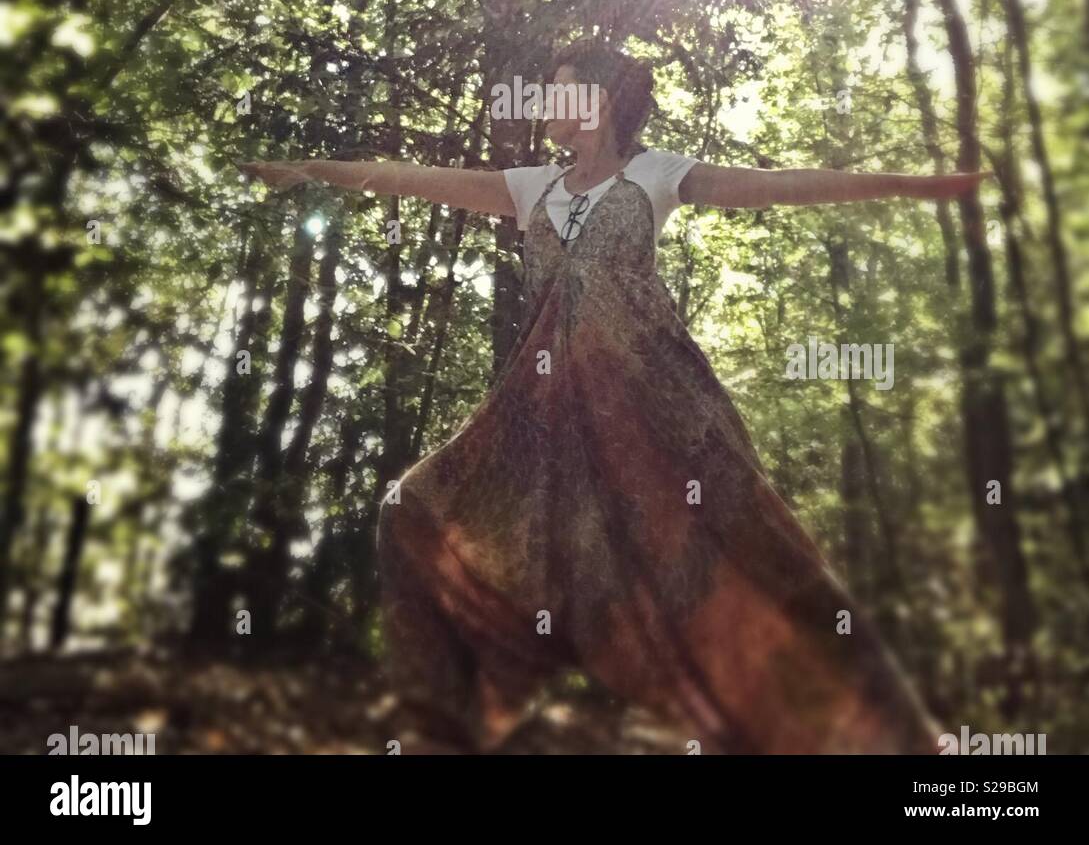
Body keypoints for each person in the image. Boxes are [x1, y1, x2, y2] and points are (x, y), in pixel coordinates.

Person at [241, 38, 985, 755]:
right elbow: (404, 176)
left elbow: (776, 183)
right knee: (411, 510)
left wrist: (915, 186)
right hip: (544, 414)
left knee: (761, 552)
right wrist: (312, 170)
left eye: (558, 87)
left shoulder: (655, 174)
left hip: (660, 397)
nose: (542, 102)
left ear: (596, 101)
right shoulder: (532, 187)